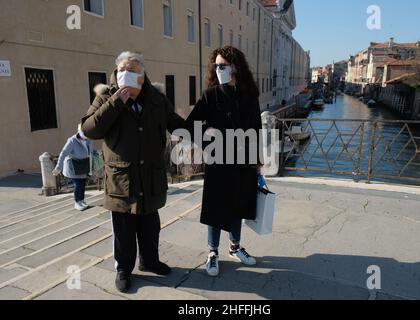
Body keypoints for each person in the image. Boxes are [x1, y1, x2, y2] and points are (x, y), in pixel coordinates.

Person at [80, 51, 184, 292]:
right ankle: (123, 269)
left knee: (150, 225)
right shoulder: (105, 96)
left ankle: (150, 261)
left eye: (133, 70)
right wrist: (117, 102)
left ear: (142, 76)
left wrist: (205, 132)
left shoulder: (157, 99)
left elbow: (177, 124)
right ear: (116, 73)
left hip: (150, 176)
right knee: (124, 230)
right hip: (121, 179)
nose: (126, 74)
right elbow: (89, 129)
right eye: (122, 70)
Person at [185, 46, 263, 277]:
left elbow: (257, 129)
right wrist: (210, 142)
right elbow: (190, 126)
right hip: (218, 162)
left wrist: (257, 160)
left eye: (222, 66)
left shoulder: (250, 95)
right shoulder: (211, 95)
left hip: (243, 162)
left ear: (235, 67)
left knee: (238, 206)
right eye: (216, 66)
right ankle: (212, 252)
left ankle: (235, 247)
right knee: (216, 208)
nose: (218, 69)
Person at [53, 124, 93, 211]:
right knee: (78, 185)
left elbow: (90, 151)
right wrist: (58, 167)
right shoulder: (72, 141)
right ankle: (77, 202)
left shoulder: (88, 140)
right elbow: (63, 153)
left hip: (83, 165)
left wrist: (97, 153)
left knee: (82, 184)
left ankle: (81, 200)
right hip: (73, 166)